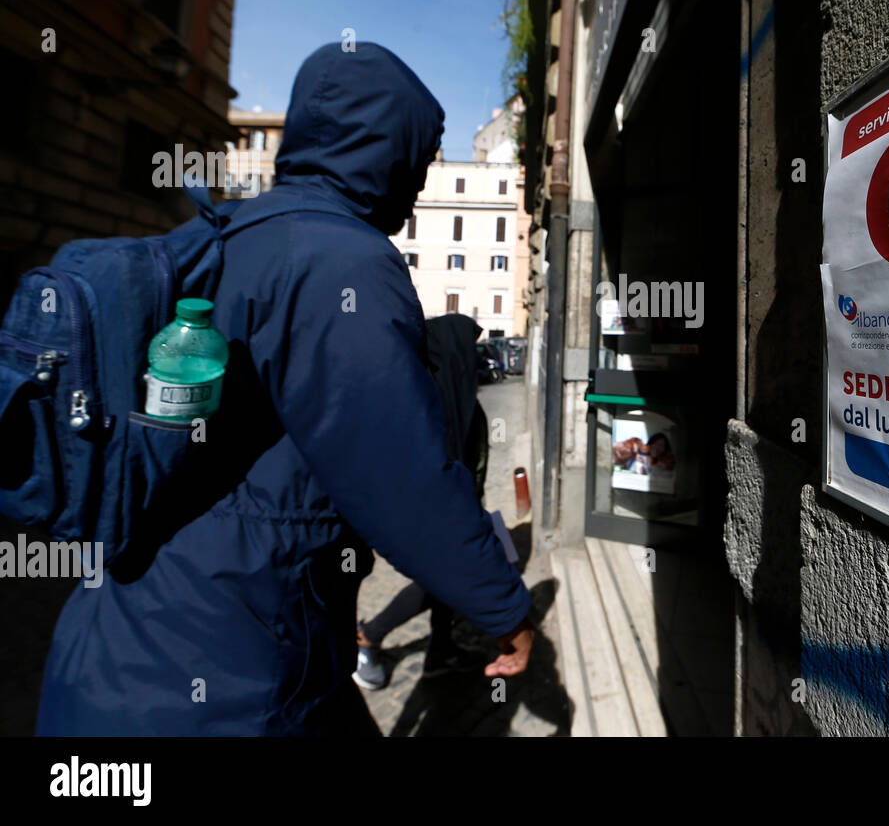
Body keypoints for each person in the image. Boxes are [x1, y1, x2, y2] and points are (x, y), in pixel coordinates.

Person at [36, 42, 534, 736]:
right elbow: (401, 474)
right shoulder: (341, 263)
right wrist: (504, 609)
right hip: (231, 665)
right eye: (417, 160)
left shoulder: (226, 233)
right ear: (384, 152)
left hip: (125, 633)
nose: (419, 184)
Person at [354, 314, 492, 690]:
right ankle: (370, 635)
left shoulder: (461, 394)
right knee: (442, 582)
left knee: (448, 585)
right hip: (435, 514)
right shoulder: (432, 400)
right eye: (470, 349)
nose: (475, 357)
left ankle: (440, 651)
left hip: (463, 510)